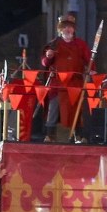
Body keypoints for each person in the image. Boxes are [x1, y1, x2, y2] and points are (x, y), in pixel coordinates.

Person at [40, 15, 92, 143]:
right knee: (53, 109)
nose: (68, 29)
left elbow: (89, 59)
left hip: (75, 82)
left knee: (76, 109)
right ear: (60, 29)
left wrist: (91, 69)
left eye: (70, 27)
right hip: (58, 83)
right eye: (65, 27)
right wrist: (48, 56)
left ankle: (78, 136)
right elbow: (45, 63)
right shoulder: (54, 44)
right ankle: (49, 135)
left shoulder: (80, 44)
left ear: (74, 29)